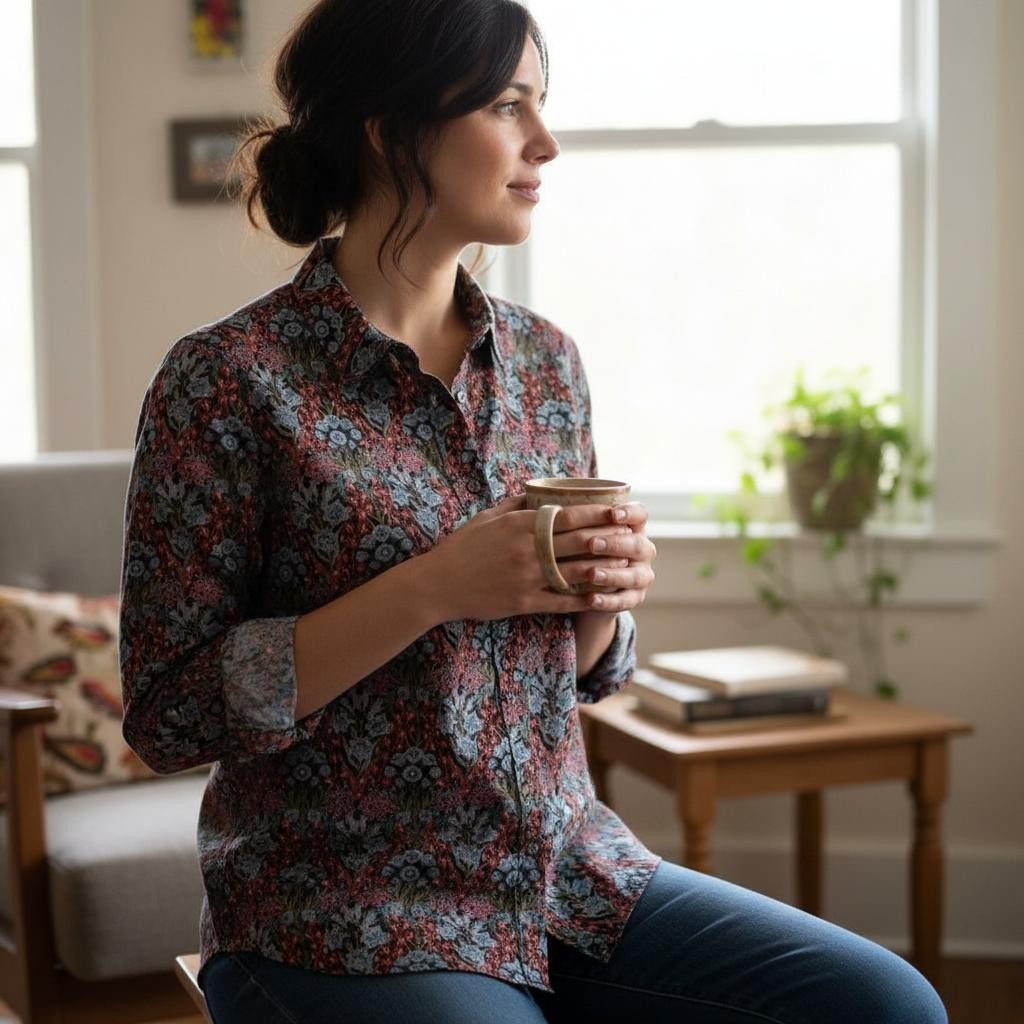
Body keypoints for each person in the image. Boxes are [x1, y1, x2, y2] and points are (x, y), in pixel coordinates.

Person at [118, 1, 949, 1021]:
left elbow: (583, 666)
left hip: (569, 874)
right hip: (339, 908)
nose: (545, 143)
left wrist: (601, 599)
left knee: (886, 1004)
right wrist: (431, 587)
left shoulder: (547, 364)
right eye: (510, 106)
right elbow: (168, 711)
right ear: (390, 127)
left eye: (541, 106)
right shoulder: (227, 381)